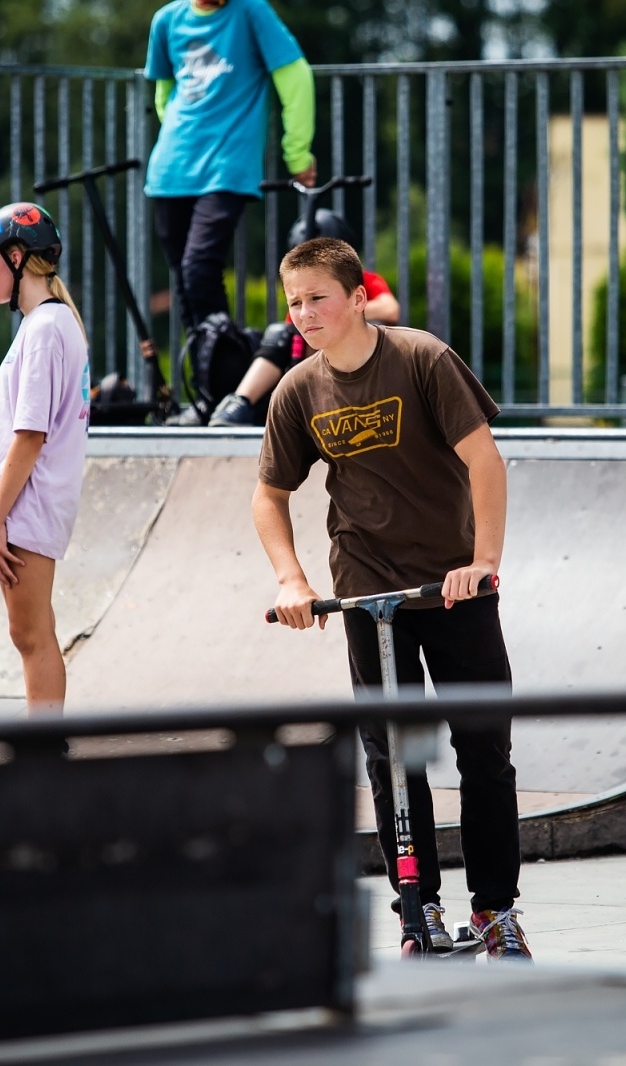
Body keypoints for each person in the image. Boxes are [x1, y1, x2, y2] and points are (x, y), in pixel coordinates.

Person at [253, 236, 530, 961]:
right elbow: (268, 496)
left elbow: (484, 461)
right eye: (293, 303)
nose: (303, 314)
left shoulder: (421, 360)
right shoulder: (299, 390)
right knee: (392, 758)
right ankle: (419, 910)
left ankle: (496, 909)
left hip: (452, 586)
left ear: (356, 297)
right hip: (369, 595)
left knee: (483, 752)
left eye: (317, 298)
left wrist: (484, 561)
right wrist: (291, 579)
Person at [143, 0, 315, 423]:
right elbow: (165, 95)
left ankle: (228, 393)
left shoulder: (250, 13)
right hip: (171, 168)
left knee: (199, 266)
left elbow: (295, 77)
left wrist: (297, 152)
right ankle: (210, 396)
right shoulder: (166, 20)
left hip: (226, 167)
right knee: (185, 282)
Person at [0, 202, 91, 716]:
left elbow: (29, 435)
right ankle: (44, 742)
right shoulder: (53, 324)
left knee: (31, 635)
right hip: (36, 503)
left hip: (26, 505)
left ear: (16, 258)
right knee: (33, 632)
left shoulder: (43, 330)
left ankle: (44, 748)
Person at [207, 209, 399, 426]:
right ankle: (240, 403)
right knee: (280, 334)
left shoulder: (365, 280)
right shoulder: (302, 295)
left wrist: (340, 310)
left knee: (373, 326)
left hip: (358, 362)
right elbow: (299, 339)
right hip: (313, 368)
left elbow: (390, 309)